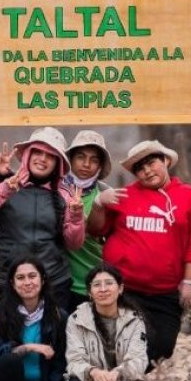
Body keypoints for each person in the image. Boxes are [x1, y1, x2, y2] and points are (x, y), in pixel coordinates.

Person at [87, 139, 191, 366]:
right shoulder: (123, 195)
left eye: (151, 163)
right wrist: (99, 204)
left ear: (166, 161)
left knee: (162, 348)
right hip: (125, 289)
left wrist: (189, 281)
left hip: (165, 292)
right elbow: (95, 229)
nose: (147, 171)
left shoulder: (190, 196)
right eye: (140, 168)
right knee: (126, 340)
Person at [0, 126, 85, 307]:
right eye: (38, 152)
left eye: (50, 155)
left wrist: (76, 217)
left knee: (53, 336)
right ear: (28, 154)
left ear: (58, 163)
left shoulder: (66, 193)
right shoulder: (7, 184)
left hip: (55, 284)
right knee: (12, 335)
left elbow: (74, 244)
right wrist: (4, 191)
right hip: (13, 282)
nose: (43, 159)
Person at [64, 263, 149, 381]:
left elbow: (138, 359)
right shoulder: (76, 319)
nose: (103, 289)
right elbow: (74, 361)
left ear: (120, 288)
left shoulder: (134, 320)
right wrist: (93, 372)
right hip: (91, 380)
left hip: (122, 379)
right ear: (89, 292)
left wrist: (117, 374)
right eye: (97, 285)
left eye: (109, 283)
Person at [62, 130, 113, 312]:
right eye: (80, 157)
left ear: (100, 166)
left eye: (94, 160)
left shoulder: (106, 197)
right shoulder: (55, 191)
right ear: (70, 160)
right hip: (59, 284)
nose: (86, 164)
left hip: (92, 284)